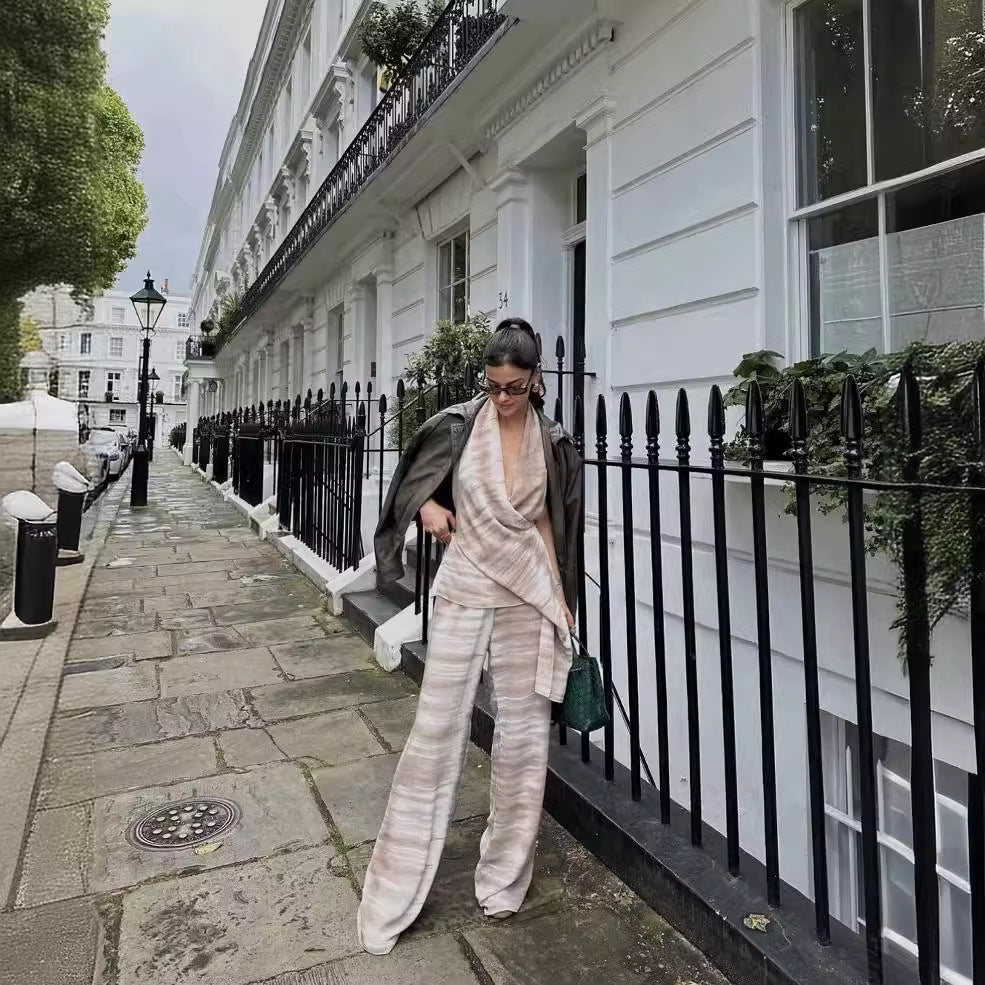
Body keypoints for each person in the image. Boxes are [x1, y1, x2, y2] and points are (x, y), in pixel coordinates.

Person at [358, 317, 584, 955]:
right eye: (493, 385)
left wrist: (563, 601)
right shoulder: (458, 425)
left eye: (514, 387)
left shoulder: (552, 441)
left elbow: (551, 524)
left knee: (524, 744)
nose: (502, 397)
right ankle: (396, 886)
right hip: (464, 586)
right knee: (435, 732)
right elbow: (411, 482)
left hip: (527, 594)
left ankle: (504, 879)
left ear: (535, 379)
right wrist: (429, 505)